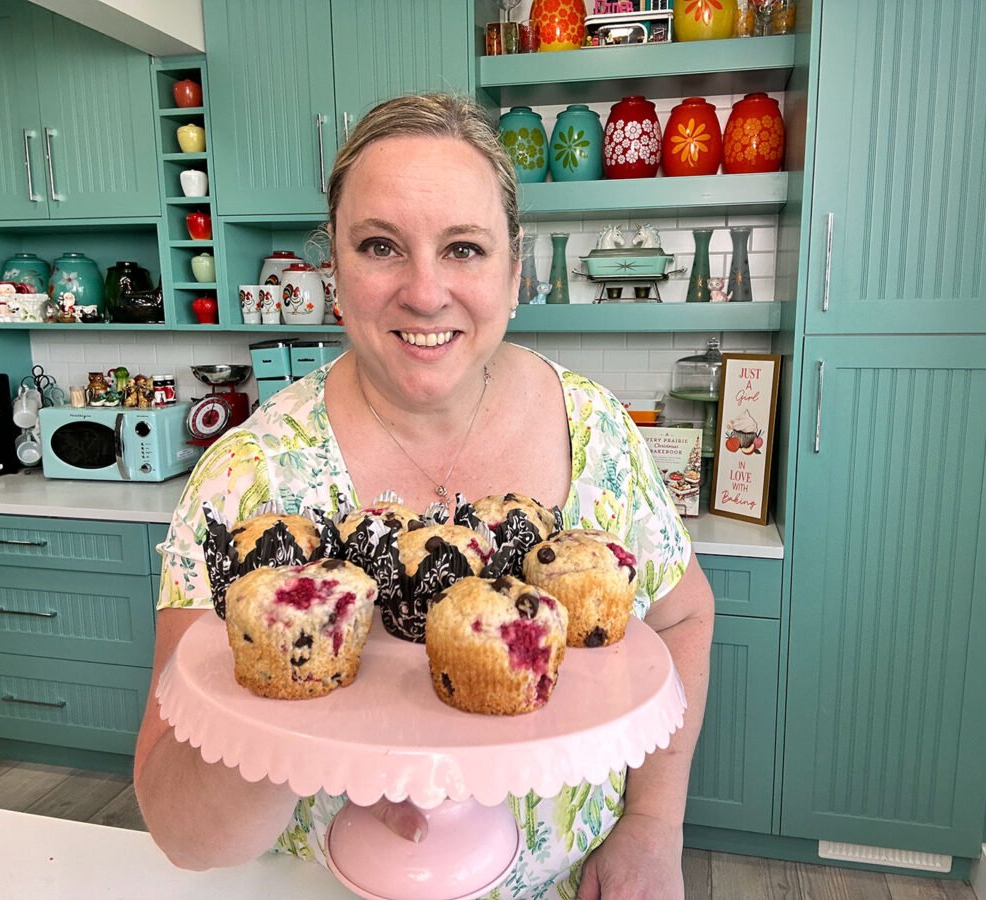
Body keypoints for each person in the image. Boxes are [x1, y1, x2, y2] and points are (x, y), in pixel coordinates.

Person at [134, 92, 714, 899]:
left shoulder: (599, 431)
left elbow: (683, 615)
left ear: (515, 273)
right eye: (380, 246)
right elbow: (179, 828)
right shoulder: (251, 483)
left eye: (465, 249)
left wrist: (654, 827)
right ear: (333, 272)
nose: (426, 291)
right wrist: (297, 683)